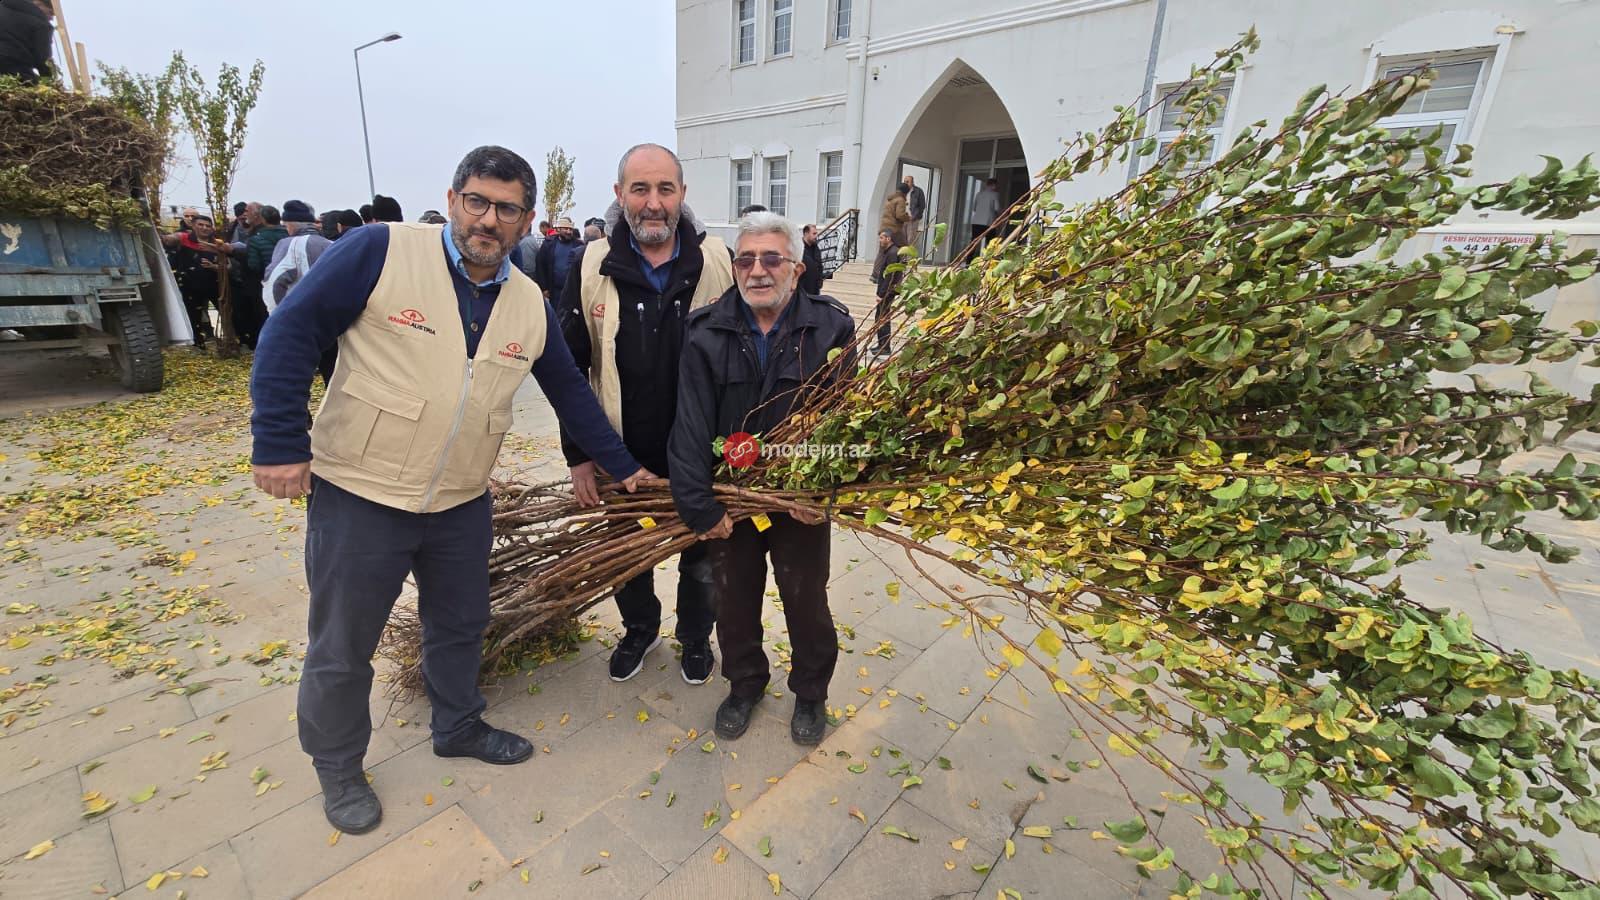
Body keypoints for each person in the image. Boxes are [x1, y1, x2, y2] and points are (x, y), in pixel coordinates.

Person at [250, 145, 657, 836]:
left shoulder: (527, 302)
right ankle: (338, 764)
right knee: (342, 644)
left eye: (506, 209)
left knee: (462, 623)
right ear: (453, 199)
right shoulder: (381, 251)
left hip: (461, 501)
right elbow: (290, 333)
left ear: (526, 219)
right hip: (361, 493)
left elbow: (569, 394)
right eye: (477, 202)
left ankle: (458, 725)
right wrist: (279, 443)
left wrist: (623, 466)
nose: (488, 220)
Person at [669, 211, 855, 746]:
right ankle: (744, 683)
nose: (757, 270)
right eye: (746, 259)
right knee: (733, 600)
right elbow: (689, 423)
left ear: (796, 268)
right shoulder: (705, 330)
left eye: (772, 258)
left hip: (799, 501)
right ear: (734, 268)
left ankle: (811, 692)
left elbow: (846, 420)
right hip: (730, 502)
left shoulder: (831, 328)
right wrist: (700, 507)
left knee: (806, 599)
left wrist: (820, 494)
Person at [559, 143, 734, 685]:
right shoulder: (591, 265)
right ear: (620, 195)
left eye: (665, 189)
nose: (653, 203)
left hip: (701, 454)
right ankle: (639, 629)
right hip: (620, 454)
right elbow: (569, 369)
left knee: (702, 556)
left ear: (682, 194)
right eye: (640, 189)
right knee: (626, 556)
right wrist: (580, 455)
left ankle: (695, 638)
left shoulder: (717, 261)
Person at [264, 200, 330, 312]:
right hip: (330, 313)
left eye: (285, 225)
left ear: (290, 224)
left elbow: (274, 280)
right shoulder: (331, 244)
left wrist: (277, 315)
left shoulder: (289, 244)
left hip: (301, 313)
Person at [170, 214, 225, 348]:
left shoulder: (217, 244)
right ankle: (198, 344)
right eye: (201, 225)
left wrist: (213, 266)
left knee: (225, 311)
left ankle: (231, 340)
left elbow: (226, 264)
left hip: (214, 284)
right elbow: (170, 240)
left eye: (208, 226)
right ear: (193, 226)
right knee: (193, 315)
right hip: (190, 285)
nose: (204, 228)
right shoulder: (184, 239)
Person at [869, 228, 906, 356]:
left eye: (882, 238)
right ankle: (882, 345)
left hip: (888, 292)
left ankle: (884, 347)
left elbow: (890, 275)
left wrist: (881, 294)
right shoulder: (890, 251)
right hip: (887, 290)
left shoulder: (892, 253)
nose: (880, 240)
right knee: (880, 318)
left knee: (882, 318)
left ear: (888, 239)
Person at [0, 0, 54, 83]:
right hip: (14, 67)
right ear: (38, 4)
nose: (51, 18)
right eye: (50, 12)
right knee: (32, 86)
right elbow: (43, 61)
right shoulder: (42, 25)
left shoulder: (3, 7)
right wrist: (49, 82)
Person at [532, 217, 584, 301]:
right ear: (558, 229)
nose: (568, 232)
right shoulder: (548, 244)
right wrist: (544, 288)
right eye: (566, 229)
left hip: (572, 292)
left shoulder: (578, 245)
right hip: (554, 291)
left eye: (570, 229)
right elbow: (540, 266)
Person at [969, 177, 1002, 246]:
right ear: (994, 185)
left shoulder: (979, 194)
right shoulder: (995, 194)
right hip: (988, 222)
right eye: (996, 185)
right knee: (990, 243)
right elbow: (997, 208)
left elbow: (974, 208)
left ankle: (969, 253)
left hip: (976, 222)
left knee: (974, 242)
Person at [880, 183, 911, 248]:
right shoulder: (901, 200)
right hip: (893, 229)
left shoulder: (891, 199)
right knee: (904, 248)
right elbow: (900, 215)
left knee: (884, 249)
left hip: (884, 228)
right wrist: (908, 218)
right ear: (905, 193)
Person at [799, 224, 824, 296]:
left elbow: (819, 265)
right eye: (814, 234)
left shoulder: (816, 248)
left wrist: (820, 281)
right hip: (803, 290)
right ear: (806, 234)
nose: (816, 236)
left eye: (816, 234)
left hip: (815, 289)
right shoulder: (799, 249)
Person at [903, 174, 927, 246]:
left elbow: (922, 205)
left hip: (913, 219)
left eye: (907, 181)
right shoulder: (902, 191)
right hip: (903, 218)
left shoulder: (918, 191)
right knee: (902, 240)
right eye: (904, 181)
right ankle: (903, 254)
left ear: (912, 182)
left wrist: (915, 216)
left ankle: (909, 254)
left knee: (910, 240)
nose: (906, 183)